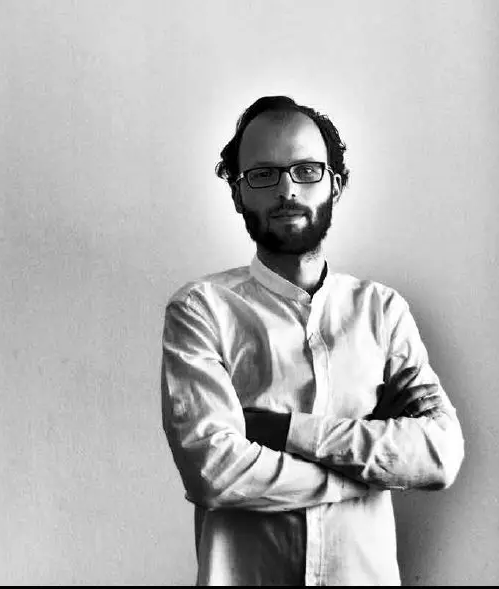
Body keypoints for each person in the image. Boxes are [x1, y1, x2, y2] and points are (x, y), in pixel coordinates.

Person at [160, 95, 465, 586]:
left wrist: (284, 431)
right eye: (263, 174)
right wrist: (367, 474)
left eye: (306, 170)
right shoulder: (202, 310)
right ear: (238, 194)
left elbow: (440, 454)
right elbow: (215, 471)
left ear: (335, 185)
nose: (287, 190)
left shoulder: (382, 312)